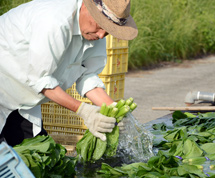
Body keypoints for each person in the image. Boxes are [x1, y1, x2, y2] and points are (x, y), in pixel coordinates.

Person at [0, 0, 138, 146]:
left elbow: (87, 75)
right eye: (100, 25)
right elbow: (40, 80)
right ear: (86, 7)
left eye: (108, 30)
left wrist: (114, 110)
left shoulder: (95, 33)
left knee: (35, 155)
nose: (101, 34)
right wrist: (84, 110)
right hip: (5, 84)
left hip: (21, 97)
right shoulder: (54, 22)